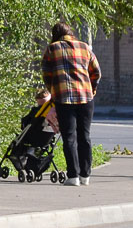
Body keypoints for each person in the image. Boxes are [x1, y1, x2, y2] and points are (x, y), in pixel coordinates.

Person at [42, 22, 101, 187]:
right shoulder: (84, 47)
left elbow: (47, 74)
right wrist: (91, 90)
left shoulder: (52, 49)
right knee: (85, 136)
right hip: (86, 98)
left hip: (64, 98)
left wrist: (53, 91)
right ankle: (85, 175)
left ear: (55, 35)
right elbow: (96, 71)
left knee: (69, 137)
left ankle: (73, 176)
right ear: (70, 33)